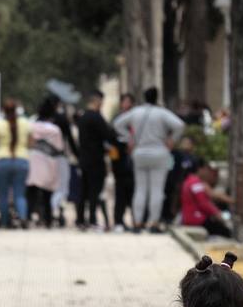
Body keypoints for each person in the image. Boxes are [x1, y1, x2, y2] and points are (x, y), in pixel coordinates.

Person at [114, 87, 185, 232]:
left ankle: (138, 222)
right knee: (157, 190)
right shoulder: (162, 113)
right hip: (159, 152)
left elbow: (118, 124)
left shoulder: (136, 112)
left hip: (139, 152)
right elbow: (180, 125)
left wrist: (130, 138)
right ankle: (154, 223)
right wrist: (172, 140)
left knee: (140, 189)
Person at [75, 91, 116, 230]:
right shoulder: (97, 117)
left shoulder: (82, 117)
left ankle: (80, 219)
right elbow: (108, 135)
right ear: (97, 102)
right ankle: (92, 219)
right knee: (94, 190)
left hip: (84, 158)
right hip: (96, 159)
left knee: (83, 190)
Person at [0, 98, 30, 228]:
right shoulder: (25, 123)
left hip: (2, 161)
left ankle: (4, 222)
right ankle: (22, 217)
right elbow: (32, 142)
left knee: (3, 194)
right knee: (20, 193)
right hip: (22, 160)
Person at [25, 96, 66, 229]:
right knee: (47, 194)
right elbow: (60, 148)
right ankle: (47, 220)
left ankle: (28, 217)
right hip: (49, 162)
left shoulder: (30, 126)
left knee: (31, 192)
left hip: (32, 160)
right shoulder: (54, 130)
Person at [179, 158, 232, 237]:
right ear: (200, 169)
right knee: (227, 232)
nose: (208, 172)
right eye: (206, 169)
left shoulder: (191, 181)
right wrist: (218, 214)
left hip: (191, 218)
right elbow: (203, 203)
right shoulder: (195, 183)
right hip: (196, 220)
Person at [109, 93, 135, 230]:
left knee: (133, 191)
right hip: (120, 160)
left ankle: (136, 219)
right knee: (120, 192)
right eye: (125, 102)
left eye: (130, 102)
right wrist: (114, 161)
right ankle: (118, 220)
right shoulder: (117, 120)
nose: (127, 105)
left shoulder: (136, 119)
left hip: (134, 160)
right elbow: (111, 143)